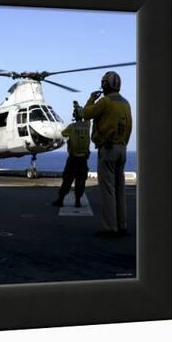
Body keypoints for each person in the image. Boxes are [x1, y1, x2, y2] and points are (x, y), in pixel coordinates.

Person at [83, 71, 132, 237]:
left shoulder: (105, 102)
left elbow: (86, 113)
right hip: (122, 149)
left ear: (105, 85)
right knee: (120, 189)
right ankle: (121, 225)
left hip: (108, 149)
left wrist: (91, 99)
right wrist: (123, 143)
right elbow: (130, 126)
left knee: (108, 190)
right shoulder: (126, 103)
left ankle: (110, 228)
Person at [52, 101, 90, 208]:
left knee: (67, 180)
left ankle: (60, 200)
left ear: (75, 115)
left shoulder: (71, 127)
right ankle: (77, 201)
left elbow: (63, 133)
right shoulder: (87, 126)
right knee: (81, 180)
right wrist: (79, 107)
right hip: (83, 159)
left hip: (73, 158)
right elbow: (87, 115)